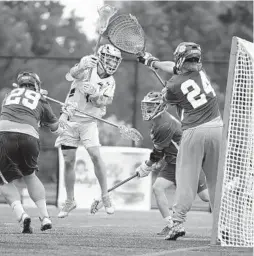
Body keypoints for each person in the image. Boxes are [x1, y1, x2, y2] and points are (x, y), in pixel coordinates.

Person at [138, 42, 223, 240]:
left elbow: (165, 96)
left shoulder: (173, 85)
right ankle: (222, 226)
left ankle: (176, 223)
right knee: (215, 182)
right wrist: (153, 62)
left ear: (180, 59)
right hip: (218, 129)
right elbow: (174, 69)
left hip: (194, 133)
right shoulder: (201, 72)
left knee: (186, 180)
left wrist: (165, 79)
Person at [0, 71, 75, 233]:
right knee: (30, 175)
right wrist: (66, 113)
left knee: (3, 181)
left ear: (19, 85)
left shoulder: (8, 95)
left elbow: (18, 110)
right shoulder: (41, 100)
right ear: (37, 86)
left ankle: (22, 214)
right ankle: (45, 217)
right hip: (29, 136)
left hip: (5, 134)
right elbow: (56, 129)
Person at [56, 44, 122, 218]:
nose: (112, 62)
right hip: (70, 118)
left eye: (115, 60)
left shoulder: (111, 81)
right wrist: (82, 65)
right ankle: (70, 201)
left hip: (88, 123)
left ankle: (105, 196)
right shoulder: (88, 66)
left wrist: (93, 94)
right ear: (101, 56)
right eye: (109, 58)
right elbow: (70, 75)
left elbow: (103, 102)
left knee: (95, 155)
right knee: (69, 161)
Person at [135, 91, 209, 239]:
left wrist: (146, 166)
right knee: (158, 187)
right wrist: (155, 163)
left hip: (186, 162)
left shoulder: (164, 124)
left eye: (151, 106)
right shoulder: (157, 122)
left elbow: (157, 152)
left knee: (206, 196)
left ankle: (232, 203)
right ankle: (171, 225)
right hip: (172, 162)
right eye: (147, 106)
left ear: (161, 106)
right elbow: (163, 150)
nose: (147, 110)